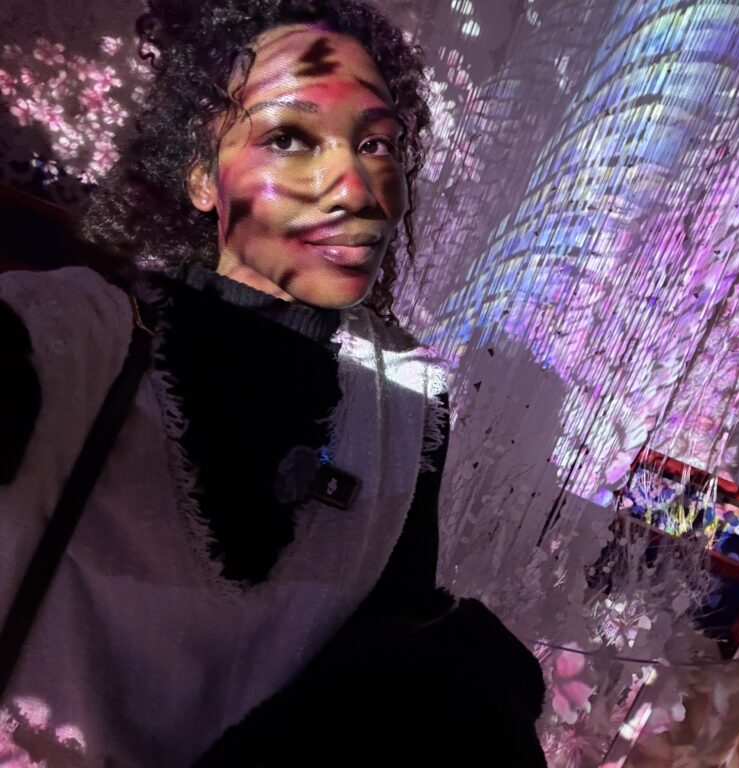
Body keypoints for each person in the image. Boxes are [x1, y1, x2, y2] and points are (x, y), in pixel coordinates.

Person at [0, 1, 545, 765]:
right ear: (199, 171)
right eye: (290, 137)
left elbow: (382, 661)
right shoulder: (78, 334)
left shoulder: (405, 407)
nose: (352, 187)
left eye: (377, 144)